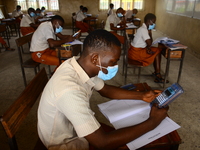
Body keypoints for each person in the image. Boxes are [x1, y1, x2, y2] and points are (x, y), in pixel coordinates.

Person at [37, 29, 169, 150]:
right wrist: (153, 121)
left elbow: (106, 90)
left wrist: (141, 96)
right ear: (95, 58)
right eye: (113, 62)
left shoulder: (80, 64)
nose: (115, 66)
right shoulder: (69, 89)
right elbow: (102, 142)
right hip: (65, 143)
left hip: (73, 129)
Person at [128, 13, 168, 83]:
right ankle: (158, 75)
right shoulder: (144, 30)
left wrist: (148, 48)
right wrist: (150, 33)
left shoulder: (142, 28)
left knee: (156, 50)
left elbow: (146, 44)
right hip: (135, 54)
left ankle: (157, 73)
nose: (154, 24)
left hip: (134, 51)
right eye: (154, 22)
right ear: (149, 21)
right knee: (158, 51)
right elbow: (149, 44)